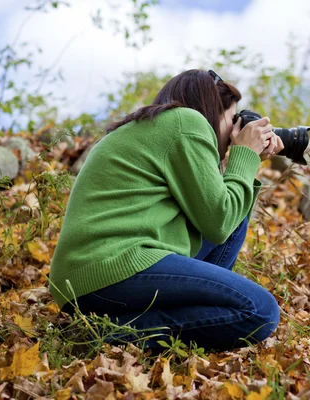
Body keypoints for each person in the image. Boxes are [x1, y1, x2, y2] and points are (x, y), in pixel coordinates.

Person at [49, 69, 283, 352]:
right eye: (233, 120)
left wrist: (248, 158)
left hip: (90, 274)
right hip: (110, 266)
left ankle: (132, 323)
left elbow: (222, 217)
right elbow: (219, 220)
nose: (235, 132)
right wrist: (245, 154)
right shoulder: (188, 121)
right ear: (210, 109)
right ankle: (107, 334)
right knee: (260, 311)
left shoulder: (159, 126)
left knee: (238, 218)